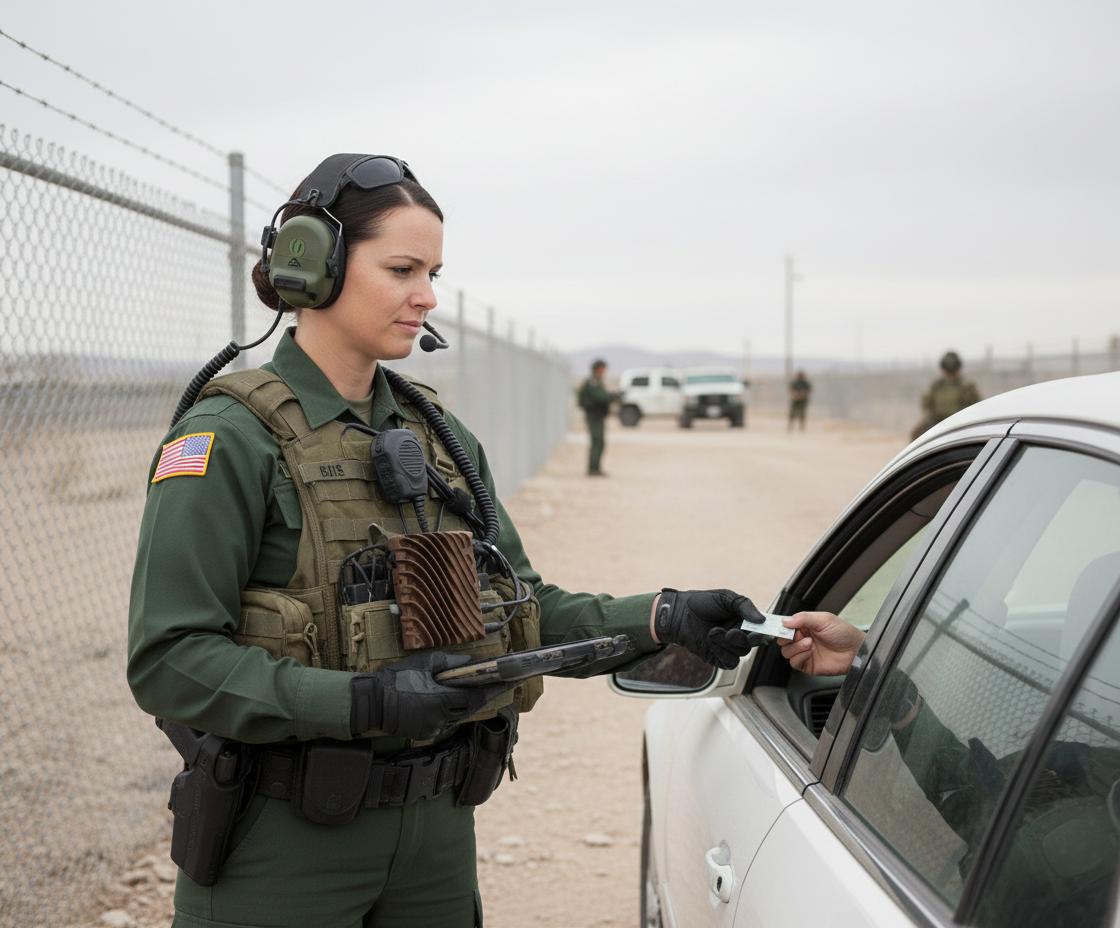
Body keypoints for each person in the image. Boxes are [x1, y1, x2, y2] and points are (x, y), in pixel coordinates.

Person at [127, 153, 772, 928]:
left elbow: (522, 607)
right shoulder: (228, 438)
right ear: (313, 265)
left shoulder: (438, 436)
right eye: (402, 269)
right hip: (284, 846)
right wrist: (364, 700)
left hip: (434, 840)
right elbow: (169, 661)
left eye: (433, 272)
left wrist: (661, 618)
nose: (427, 297)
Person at [777, 611, 1119, 928]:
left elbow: (964, 796)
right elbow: (966, 789)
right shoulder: (1087, 766)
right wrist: (872, 666)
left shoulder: (1045, 852)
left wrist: (878, 671)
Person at [911, 350, 980, 439]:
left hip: (962, 426)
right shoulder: (936, 386)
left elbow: (977, 407)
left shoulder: (967, 386)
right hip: (939, 425)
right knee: (917, 435)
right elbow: (926, 406)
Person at [576, 358, 618, 476]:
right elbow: (601, 397)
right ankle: (593, 468)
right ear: (597, 369)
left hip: (598, 416)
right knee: (597, 441)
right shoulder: (593, 382)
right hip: (594, 416)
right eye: (602, 368)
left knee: (599, 442)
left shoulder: (597, 381)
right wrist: (615, 396)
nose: (604, 371)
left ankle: (596, 468)